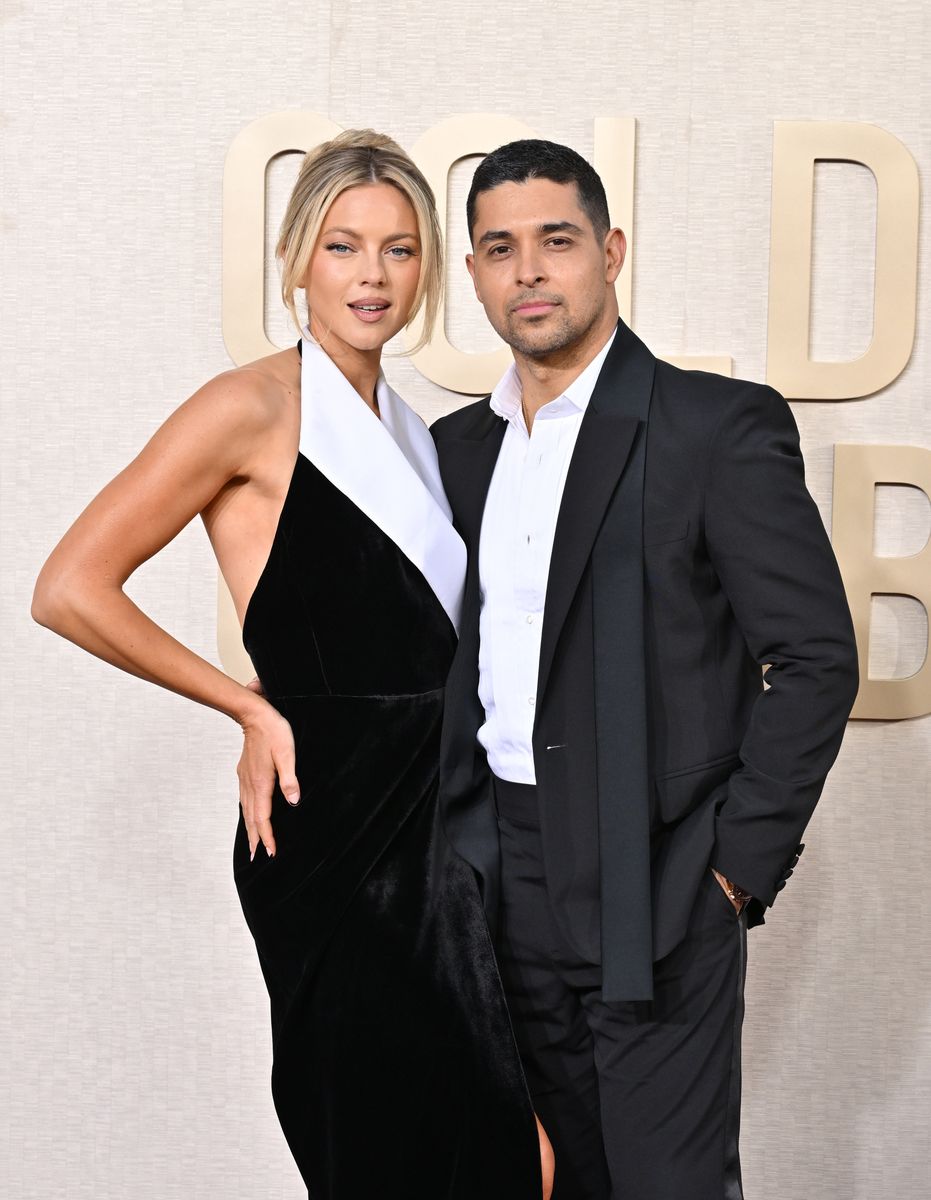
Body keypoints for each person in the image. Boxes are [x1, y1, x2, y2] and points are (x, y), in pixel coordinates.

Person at [32, 130, 552, 1199]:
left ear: (425, 271)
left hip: (441, 837)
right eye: (343, 246)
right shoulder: (251, 406)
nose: (372, 276)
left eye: (399, 250)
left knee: (504, 1160)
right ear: (295, 259)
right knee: (387, 1152)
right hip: (336, 838)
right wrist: (248, 709)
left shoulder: (413, 431)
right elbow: (69, 587)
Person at [431, 139, 860, 1200]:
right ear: (475, 275)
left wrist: (730, 874)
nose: (527, 270)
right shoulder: (453, 453)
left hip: (659, 882)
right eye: (498, 249)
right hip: (494, 885)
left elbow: (813, 657)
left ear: (610, 252)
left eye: (555, 241)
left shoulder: (714, 429)